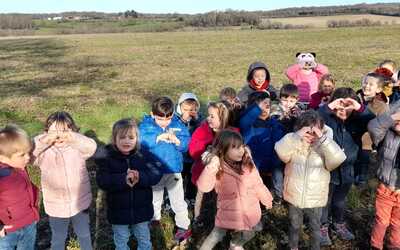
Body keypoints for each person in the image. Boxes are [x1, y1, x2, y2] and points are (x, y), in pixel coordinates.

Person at [275, 110, 346, 250]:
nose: (311, 136)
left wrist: (323, 139)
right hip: (294, 194)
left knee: (315, 226)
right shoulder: (293, 142)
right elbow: (281, 152)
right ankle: (293, 246)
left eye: (315, 132)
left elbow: (337, 159)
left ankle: (315, 247)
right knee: (294, 225)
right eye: (307, 132)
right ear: (299, 130)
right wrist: (297, 137)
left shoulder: (325, 146)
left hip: (315, 197)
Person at [197, 130, 273, 250]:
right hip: (228, 211)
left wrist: (266, 198)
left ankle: (236, 243)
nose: (241, 151)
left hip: (250, 209)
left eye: (242, 146)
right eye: (235, 148)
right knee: (216, 235)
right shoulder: (218, 168)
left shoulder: (247, 163)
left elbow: (257, 183)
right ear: (223, 149)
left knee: (252, 230)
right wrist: (211, 167)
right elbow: (204, 187)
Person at [318, 88, 375, 245]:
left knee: (340, 200)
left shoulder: (358, 121)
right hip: (327, 170)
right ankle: (322, 226)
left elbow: (372, 119)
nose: (342, 111)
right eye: (339, 107)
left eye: (347, 107)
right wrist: (330, 107)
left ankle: (338, 223)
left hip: (347, 171)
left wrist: (359, 107)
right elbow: (313, 119)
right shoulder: (327, 120)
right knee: (325, 200)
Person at [33, 111, 97, 250]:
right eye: (54, 131)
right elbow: (30, 152)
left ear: (73, 131)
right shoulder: (43, 152)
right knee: (58, 236)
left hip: (79, 202)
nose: (59, 135)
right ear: (46, 132)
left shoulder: (77, 148)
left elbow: (91, 147)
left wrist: (73, 138)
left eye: (65, 130)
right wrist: (44, 140)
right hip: (55, 205)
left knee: (84, 234)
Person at [95, 118, 163, 250]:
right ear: (114, 139)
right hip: (118, 211)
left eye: (131, 137)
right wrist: (123, 179)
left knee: (144, 238)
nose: (127, 141)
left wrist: (140, 177)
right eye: (122, 137)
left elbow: (156, 174)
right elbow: (102, 181)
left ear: (137, 139)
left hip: (142, 209)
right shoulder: (107, 158)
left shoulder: (144, 155)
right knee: (121, 239)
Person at [139, 96, 191, 243]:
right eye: (160, 119)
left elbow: (187, 144)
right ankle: (154, 219)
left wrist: (178, 141)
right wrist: (157, 137)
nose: (164, 122)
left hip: (173, 171)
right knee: (155, 198)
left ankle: (183, 226)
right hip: (154, 170)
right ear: (152, 114)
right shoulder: (146, 126)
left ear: (173, 114)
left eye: (168, 118)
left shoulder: (178, 125)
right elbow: (140, 141)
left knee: (178, 201)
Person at [189, 102, 239, 222]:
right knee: (201, 197)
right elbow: (192, 150)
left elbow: (236, 153)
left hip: (222, 177)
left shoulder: (232, 133)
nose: (208, 118)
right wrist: (206, 147)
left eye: (212, 116)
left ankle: (218, 221)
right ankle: (198, 219)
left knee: (220, 200)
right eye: (208, 115)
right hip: (204, 174)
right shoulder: (202, 130)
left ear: (222, 118)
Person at [240, 91, 285, 203]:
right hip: (255, 164)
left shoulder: (274, 123)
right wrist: (257, 108)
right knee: (255, 186)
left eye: (267, 106)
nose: (264, 110)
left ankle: (276, 197)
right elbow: (245, 119)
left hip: (273, 161)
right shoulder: (248, 124)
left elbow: (281, 138)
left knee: (276, 178)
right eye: (261, 106)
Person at [0, 125, 39, 250]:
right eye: (22, 155)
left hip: (29, 223)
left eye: (28, 152)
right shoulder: (2, 176)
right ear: (2, 158)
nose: (28, 157)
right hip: (7, 230)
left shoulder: (19, 166)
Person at [368, 102, 400, 250]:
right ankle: (376, 245)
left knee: (398, 223)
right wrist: (393, 117)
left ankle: (395, 245)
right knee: (382, 221)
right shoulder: (387, 134)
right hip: (386, 188)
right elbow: (373, 126)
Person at [355, 72, 389, 185]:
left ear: (378, 89)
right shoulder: (355, 98)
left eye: (371, 84)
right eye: (365, 82)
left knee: (364, 153)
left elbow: (383, 125)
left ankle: (362, 176)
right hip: (353, 133)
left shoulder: (381, 105)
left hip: (369, 138)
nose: (366, 86)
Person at [175, 93, 202, 205]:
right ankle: (177, 199)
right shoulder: (176, 120)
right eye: (185, 109)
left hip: (193, 156)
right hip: (180, 156)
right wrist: (182, 121)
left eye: (192, 110)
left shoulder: (199, 120)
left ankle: (190, 197)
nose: (188, 112)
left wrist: (196, 120)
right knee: (178, 179)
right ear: (179, 108)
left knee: (192, 178)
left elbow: (203, 130)